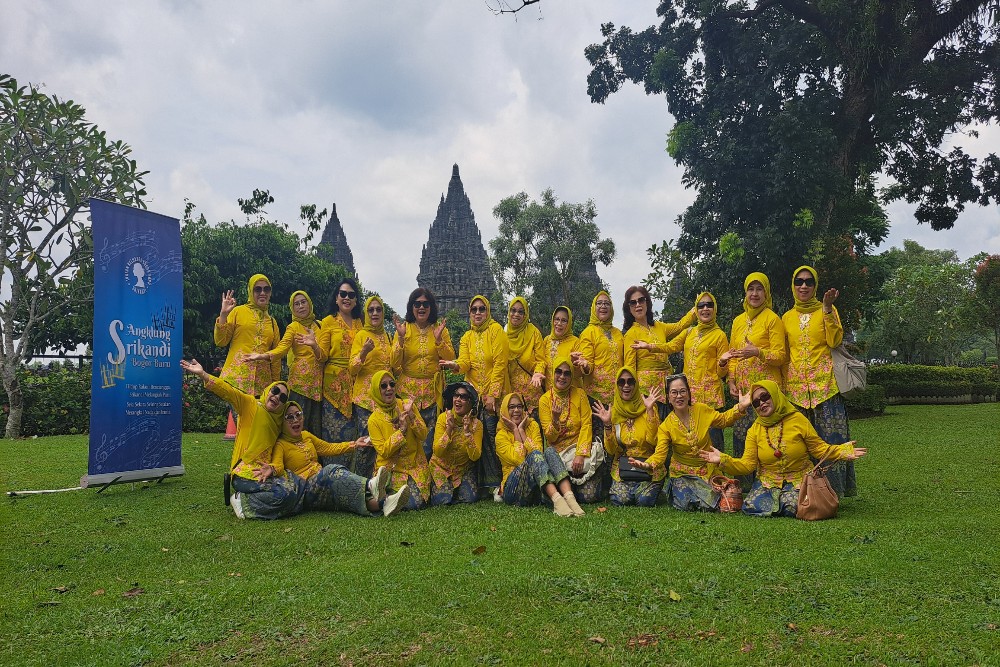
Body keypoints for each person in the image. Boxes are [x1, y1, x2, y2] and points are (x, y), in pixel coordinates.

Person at [699, 380, 866, 517]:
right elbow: (747, 465)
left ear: (775, 395)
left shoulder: (798, 419)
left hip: (799, 480)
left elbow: (819, 449)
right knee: (751, 505)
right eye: (756, 402)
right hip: (768, 482)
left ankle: (789, 502)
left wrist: (842, 451)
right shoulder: (755, 430)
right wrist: (723, 460)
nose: (762, 403)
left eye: (765, 397)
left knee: (792, 504)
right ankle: (784, 503)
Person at [249, 401, 410, 519]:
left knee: (344, 493)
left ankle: (385, 503)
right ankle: (370, 484)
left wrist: (354, 444)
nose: (295, 420)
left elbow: (328, 448)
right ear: (282, 422)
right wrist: (271, 468)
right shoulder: (281, 444)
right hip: (306, 488)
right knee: (331, 470)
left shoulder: (306, 436)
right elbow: (277, 465)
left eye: (298, 415)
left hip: (323, 484)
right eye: (289, 417)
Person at [179, 358, 288, 519]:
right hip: (244, 472)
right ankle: (241, 501)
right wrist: (203, 375)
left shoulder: (279, 422)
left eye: (283, 397)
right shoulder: (250, 404)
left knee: (289, 492)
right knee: (280, 494)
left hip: (266, 473)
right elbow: (228, 391)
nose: (277, 397)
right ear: (268, 390)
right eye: (275, 390)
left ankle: (248, 500)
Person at [782, 265, 855, 497]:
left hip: (825, 387)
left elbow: (834, 341)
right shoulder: (786, 318)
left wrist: (827, 308)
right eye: (799, 281)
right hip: (796, 392)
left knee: (831, 440)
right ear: (793, 286)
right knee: (800, 444)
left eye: (809, 282)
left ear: (815, 286)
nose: (803, 286)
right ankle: (804, 491)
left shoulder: (827, 309)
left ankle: (833, 491)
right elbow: (785, 354)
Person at [638, 374, 749, 511]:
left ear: (689, 394)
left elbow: (724, 419)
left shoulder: (701, 410)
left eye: (682, 391)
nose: (679, 396)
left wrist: (740, 407)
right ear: (668, 398)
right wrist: (648, 464)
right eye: (674, 392)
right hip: (682, 473)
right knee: (685, 501)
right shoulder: (666, 426)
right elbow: (660, 454)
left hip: (707, 469)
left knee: (718, 497)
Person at [719, 272, 787, 485]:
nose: (755, 294)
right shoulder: (738, 321)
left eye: (759, 289)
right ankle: (744, 485)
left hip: (765, 394)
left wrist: (758, 352)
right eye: (751, 289)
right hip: (743, 393)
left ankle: (770, 483)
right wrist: (731, 381)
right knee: (742, 437)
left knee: (768, 438)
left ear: (766, 293)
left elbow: (781, 355)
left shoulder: (772, 319)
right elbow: (732, 355)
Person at [439, 295, 508, 497]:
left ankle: (499, 482)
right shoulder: (467, 336)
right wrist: (455, 365)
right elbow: (465, 362)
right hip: (474, 397)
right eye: (474, 309)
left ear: (488, 311)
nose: (478, 313)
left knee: (492, 436)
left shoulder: (496, 330)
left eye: (481, 309)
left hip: (493, 397)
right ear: (469, 312)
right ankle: (481, 484)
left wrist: (493, 394)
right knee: (476, 435)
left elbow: (500, 363)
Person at [244, 290, 325, 435]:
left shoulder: (320, 325)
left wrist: (314, 344)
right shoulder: (293, 327)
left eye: (303, 302)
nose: (301, 306)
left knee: (315, 430)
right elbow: (282, 348)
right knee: (297, 426)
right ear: (292, 308)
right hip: (300, 384)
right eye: (296, 304)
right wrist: (263, 355)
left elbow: (325, 355)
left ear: (309, 303)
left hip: (318, 385)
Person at [392, 287, 454, 460]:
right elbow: (394, 363)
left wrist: (439, 340)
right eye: (417, 304)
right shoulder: (404, 329)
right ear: (411, 307)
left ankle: (425, 472)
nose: (421, 307)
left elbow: (450, 358)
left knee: (428, 437)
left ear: (431, 307)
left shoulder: (440, 330)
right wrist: (401, 339)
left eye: (425, 304)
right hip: (406, 393)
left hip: (431, 393)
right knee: (406, 436)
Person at [495, 393, 581, 517]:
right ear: (504, 411)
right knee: (534, 455)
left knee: (550, 451)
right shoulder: (501, 435)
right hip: (513, 490)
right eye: (512, 407)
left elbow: (539, 453)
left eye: (519, 406)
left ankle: (569, 498)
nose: (516, 410)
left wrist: (522, 431)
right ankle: (557, 500)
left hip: (536, 487)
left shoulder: (533, 425)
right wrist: (516, 430)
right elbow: (520, 459)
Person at [591, 367, 663, 506]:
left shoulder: (649, 407)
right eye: (621, 382)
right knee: (620, 500)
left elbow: (654, 441)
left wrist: (649, 411)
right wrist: (607, 424)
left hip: (648, 465)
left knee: (644, 501)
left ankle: (651, 489)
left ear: (636, 385)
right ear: (617, 385)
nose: (626, 385)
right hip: (623, 467)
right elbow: (612, 450)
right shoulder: (613, 412)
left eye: (630, 381)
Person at [538, 356, 604, 505]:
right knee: (548, 498)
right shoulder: (545, 400)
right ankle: (568, 488)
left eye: (567, 373)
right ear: (553, 373)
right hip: (557, 457)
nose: (562, 376)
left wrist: (580, 454)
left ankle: (572, 487)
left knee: (588, 497)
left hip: (578, 454)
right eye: (559, 372)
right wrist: (555, 420)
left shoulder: (579, 394)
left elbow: (586, 424)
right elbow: (550, 438)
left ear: (572, 376)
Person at [622, 285, 696, 418]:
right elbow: (630, 367)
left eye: (641, 300)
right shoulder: (631, 334)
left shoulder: (659, 326)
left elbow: (679, 326)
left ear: (647, 302)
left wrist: (696, 310)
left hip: (668, 386)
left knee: (672, 425)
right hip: (647, 391)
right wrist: (633, 395)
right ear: (629, 308)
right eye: (633, 302)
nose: (638, 305)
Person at [367, 370, 431, 511]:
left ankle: (386, 500)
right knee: (405, 503)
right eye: (383, 386)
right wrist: (401, 431)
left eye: (392, 384)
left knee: (415, 503)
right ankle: (384, 497)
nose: (389, 388)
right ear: (376, 390)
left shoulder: (407, 405)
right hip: (391, 468)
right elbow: (384, 451)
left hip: (414, 464)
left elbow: (423, 435)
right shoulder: (374, 420)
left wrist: (412, 416)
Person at [213, 274, 282, 401]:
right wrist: (223, 315)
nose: (263, 293)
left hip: (262, 386)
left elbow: (276, 357)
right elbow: (221, 341)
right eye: (258, 289)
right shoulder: (238, 312)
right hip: (236, 382)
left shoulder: (272, 322)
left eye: (266, 289)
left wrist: (275, 384)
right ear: (250, 291)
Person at [348, 294, 395, 476]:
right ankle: (363, 484)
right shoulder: (361, 335)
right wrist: (364, 352)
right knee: (366, 445)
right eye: (371, 310)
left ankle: (381, 483)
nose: (375, 313)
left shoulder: (387, 336)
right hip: (366, 400)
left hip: (384, 399)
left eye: (378, 309)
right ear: (366, 313)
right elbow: (352, 369)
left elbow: (393, 367)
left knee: (384, 443)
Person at [681, 292, 731, 451]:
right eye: (701, 305)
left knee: (713, 444)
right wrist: (650, 346)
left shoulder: (719, 335)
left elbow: (722, 373)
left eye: (709, 305)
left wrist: (722, 363)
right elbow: (670, 346)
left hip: (711, 398)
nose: (705, 309)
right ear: (696, 310)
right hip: (689, 396)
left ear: (714, 308)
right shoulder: (690, 333)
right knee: (691, 443)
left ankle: (717, 468)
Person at [317, 278, 363, 449]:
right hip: (333, 387)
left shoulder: (360, 323)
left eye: (351, 295)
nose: (347, 298)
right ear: (336, 298)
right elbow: (322, 356)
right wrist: (314, 345)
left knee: (354, 435)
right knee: (333, 432)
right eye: (343, 294)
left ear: (356, 300)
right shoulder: (328, 321)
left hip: (356, 383)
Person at [429, 382, 483, 506]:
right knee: (442, 501)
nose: (458, 399)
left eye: (463, 397)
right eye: (456, 395)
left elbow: (475, 456)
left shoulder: (476, 424)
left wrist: (467, 432)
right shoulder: (443, 418)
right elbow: (437, 451)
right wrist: (449, 429)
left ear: (470, 402)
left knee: (470, 498)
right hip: (441, 467)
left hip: (463, 469)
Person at [576, 291, 624, 408]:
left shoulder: (618, 333)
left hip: (620, 394)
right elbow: (587, 362)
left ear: (611, 308)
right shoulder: (588, 332)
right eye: (599, 303)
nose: (603, 306)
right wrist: (585, 365)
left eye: (607, 303)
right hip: (596, 397)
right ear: (594, 307)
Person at [504, 296, 546, 416]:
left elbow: (541, 360)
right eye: (513, 310)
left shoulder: (533, 332)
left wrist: (538, 373)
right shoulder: (503, 335)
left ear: (525, 315)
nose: (516, 314)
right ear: (509, 312)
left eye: (520, 312)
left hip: (533, 394)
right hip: (513, 397)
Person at [543, 306, 582, 388]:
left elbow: (580, 373)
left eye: (564, 320)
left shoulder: (575, 342)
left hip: (570, 392)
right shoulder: (547, 340)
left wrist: (574, 364)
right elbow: (541, 363)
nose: (559, 323)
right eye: (557, 319)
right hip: (549, 393)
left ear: (569, 323)